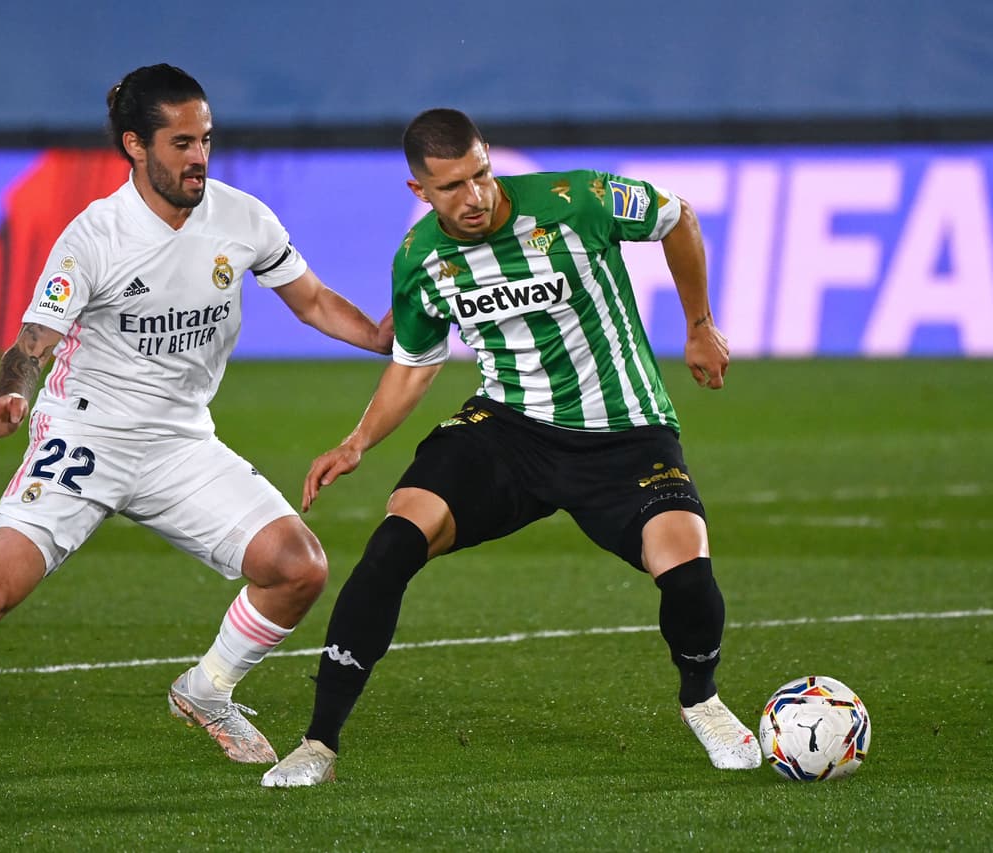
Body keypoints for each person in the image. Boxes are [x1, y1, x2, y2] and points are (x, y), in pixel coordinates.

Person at [0, 63, 392, 791]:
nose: (199, 158)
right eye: (181, 143)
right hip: (85, 436)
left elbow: (309, 302)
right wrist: (12, 397)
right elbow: (30, 344)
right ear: (135, 146)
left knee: (298, 566)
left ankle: (208, 688)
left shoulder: (243, 218)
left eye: (206, 139)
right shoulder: (95, 237)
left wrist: (378, 336)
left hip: (180, 440)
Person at [261, 108, 761, 787]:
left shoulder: (575, 199)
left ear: (489, 157)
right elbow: (415, 362)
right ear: (420, 193)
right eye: (452, 187)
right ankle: (319, 740)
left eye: (481, 175)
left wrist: (699, 324)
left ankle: (701, 697)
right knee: (392, 543)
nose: (474, 198)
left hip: (625, 430)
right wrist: (357, 441)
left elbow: (678, 217)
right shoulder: (421, 260)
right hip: (508, 430)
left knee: (688, 569)